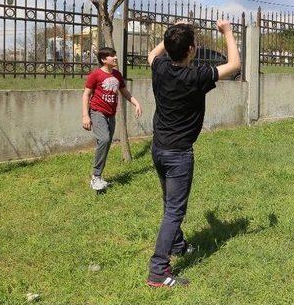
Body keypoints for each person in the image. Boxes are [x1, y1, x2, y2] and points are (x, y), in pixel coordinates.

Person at [145, 19, 240, 288]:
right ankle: (158, 271)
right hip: (178, 155)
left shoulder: (160, 67)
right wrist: (228, 32)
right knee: (174, 211)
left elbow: (152, 54)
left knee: (169, 204)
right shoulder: (195, 76)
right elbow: (234, 65)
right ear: (191, 50)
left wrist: (172, 33)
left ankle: (177, 245)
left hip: (158, 149)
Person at [82, 47, 142, 191]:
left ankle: (99, 176)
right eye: (112, 56)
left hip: (111, 114)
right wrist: (85, 115)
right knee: (104, 139)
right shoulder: (96, 75)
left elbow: (124, 92)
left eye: (115, 55)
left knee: (106, 144)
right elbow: (86, 95)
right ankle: (95, 177)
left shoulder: (117, 75)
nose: (115, 58)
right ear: (103, 60)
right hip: (97, 112)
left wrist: (136, 103)